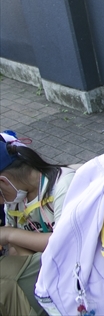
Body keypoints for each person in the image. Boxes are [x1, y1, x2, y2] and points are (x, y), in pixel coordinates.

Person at [0, 131, 77, 315]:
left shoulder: (63, 184)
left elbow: (63, 244)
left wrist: (9, 234)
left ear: (2, 181)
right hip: (46, 276)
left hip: (71, 270)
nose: (1, 203)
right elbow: (15, 249)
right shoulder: (16, 198)